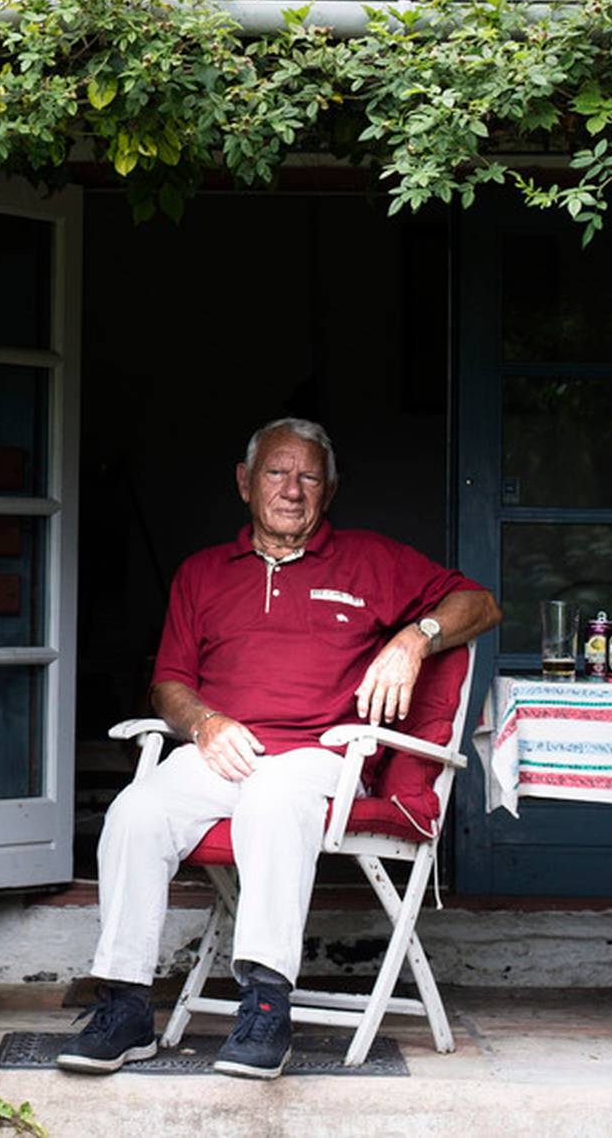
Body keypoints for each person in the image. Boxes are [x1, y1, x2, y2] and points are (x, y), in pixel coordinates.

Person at [56, 417, 500, 1080]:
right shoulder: (202, 573)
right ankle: (124, 1005)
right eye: (275, 472)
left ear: (330, 488)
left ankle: (265, 1003)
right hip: (221, 747)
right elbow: (168, 684)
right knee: (135, 812)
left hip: (322, 754)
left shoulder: (371, 559)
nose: (291, 489)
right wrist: (205, 722)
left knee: (271, 796)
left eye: (309, 475)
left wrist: (416, 637)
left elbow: (482, 603)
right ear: (244, 482)